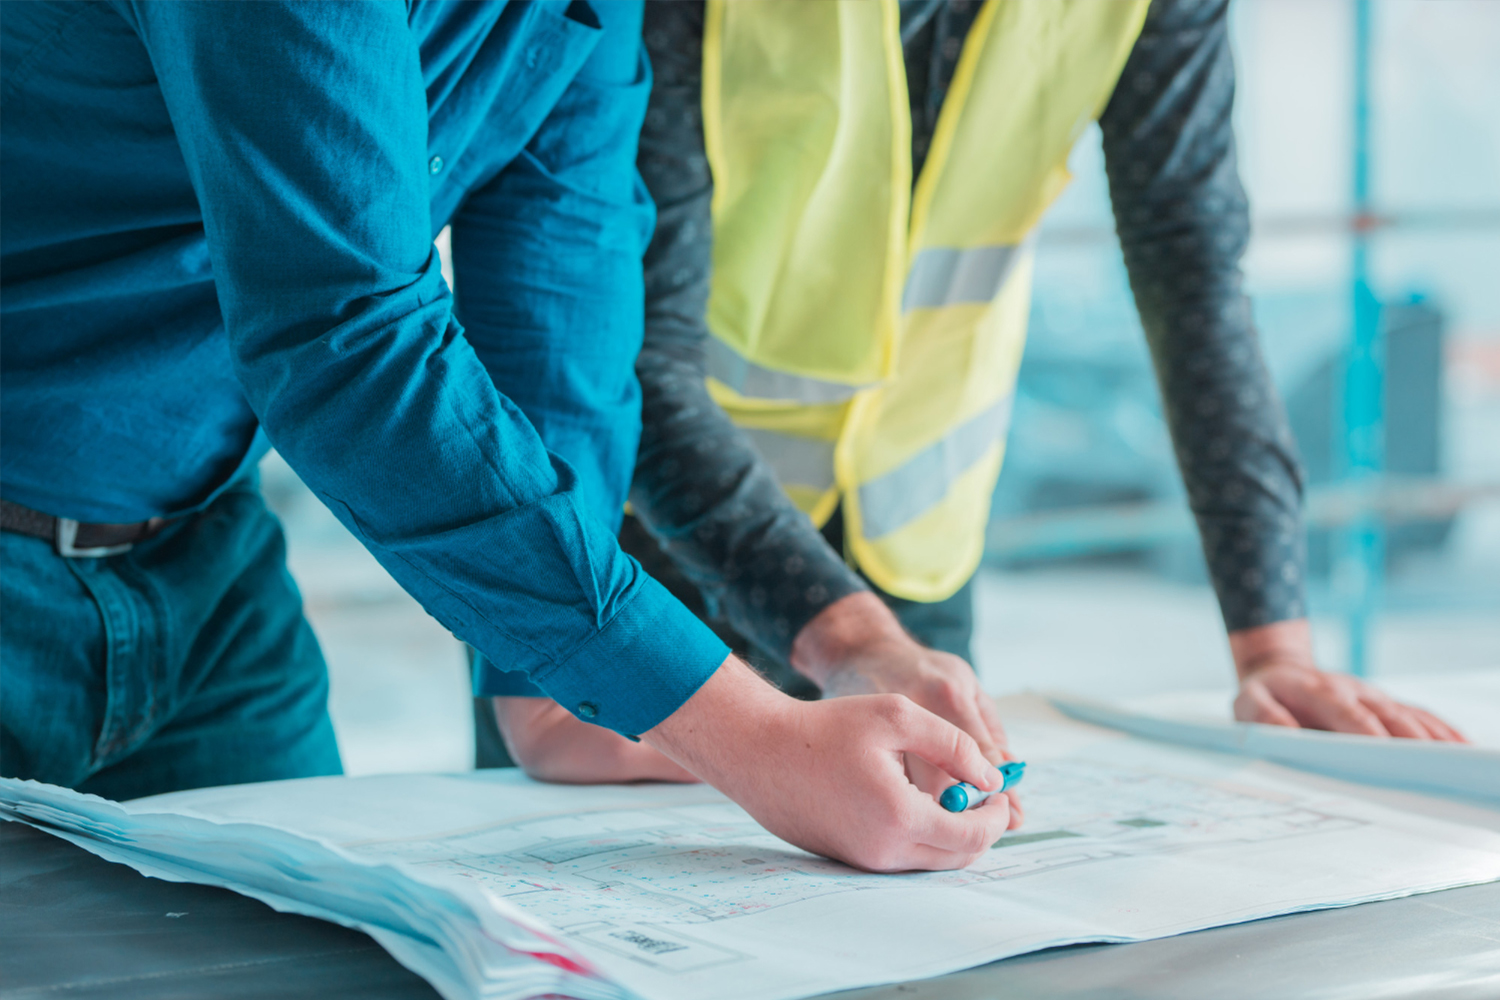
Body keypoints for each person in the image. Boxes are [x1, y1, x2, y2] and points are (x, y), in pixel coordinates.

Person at [0, 0, 1019, 874]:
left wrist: (554, 694)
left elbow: (561, 294)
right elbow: (348, 338)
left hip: (204, 563)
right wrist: (747, 733)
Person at [479, 0, 1464, 780]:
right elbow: (622, 347)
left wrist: (1273, 651)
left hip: (914, 553)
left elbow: (1193, 266)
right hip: (643, 542)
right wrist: (849, 638)